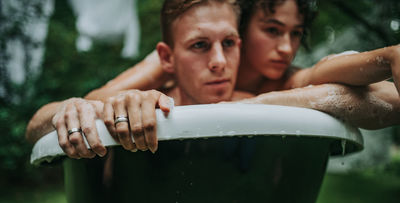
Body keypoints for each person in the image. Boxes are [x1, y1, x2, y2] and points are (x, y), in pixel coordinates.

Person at [26, 0, 400, 157]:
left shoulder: (285, 79)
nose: (220, 61)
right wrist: (82, 108)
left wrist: (387, 57)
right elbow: (81, 105)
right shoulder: (156, 79)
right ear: (167, 58)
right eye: (201, 45)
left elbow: (373, 97)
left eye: (229, 43)